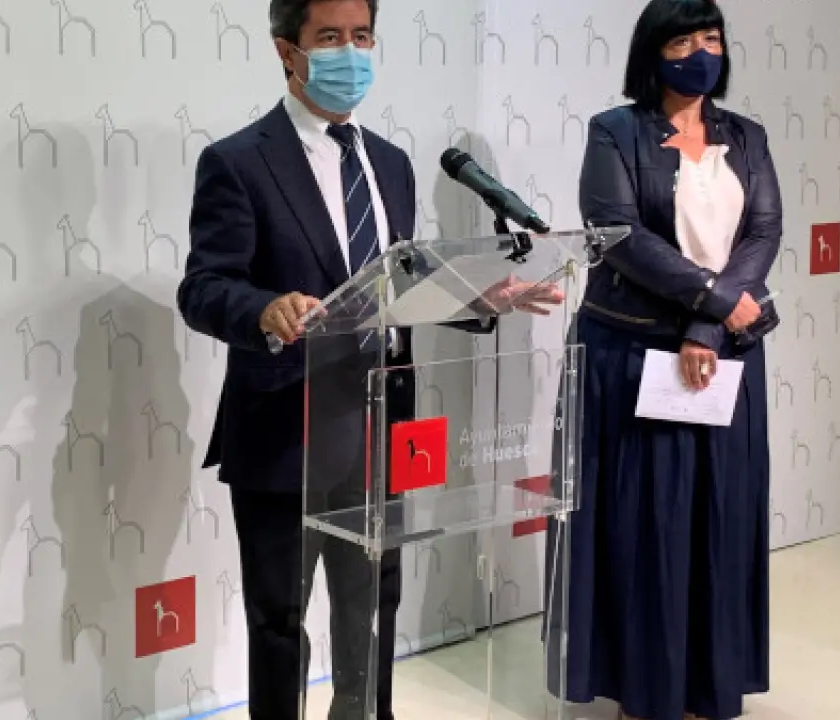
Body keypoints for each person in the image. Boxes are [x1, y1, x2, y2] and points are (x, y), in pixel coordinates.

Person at [178, 1, 562, 717]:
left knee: (373, 607)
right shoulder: (238, 162)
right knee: (279, 619)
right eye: (330, 37)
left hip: (381, 424)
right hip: (285, 426)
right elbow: (202, 288)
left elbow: (395, 288)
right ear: (287, 50)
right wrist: (263, 308)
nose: (350, 53)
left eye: (362, 36)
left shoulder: (389, 163)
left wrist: (479, 296)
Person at [545, 2, 781, 720]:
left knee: (719, 521)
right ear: (653, 51)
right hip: (632, 354)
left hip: (724, 354)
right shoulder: (614, 131)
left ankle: (707, 687)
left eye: (711, 38)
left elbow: (763, 231)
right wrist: (715, 301)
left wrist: (708, 325)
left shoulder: (746, 135)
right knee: (645, 525)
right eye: (683, 39)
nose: (700, 52)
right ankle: (643, 693)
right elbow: (618, 235)